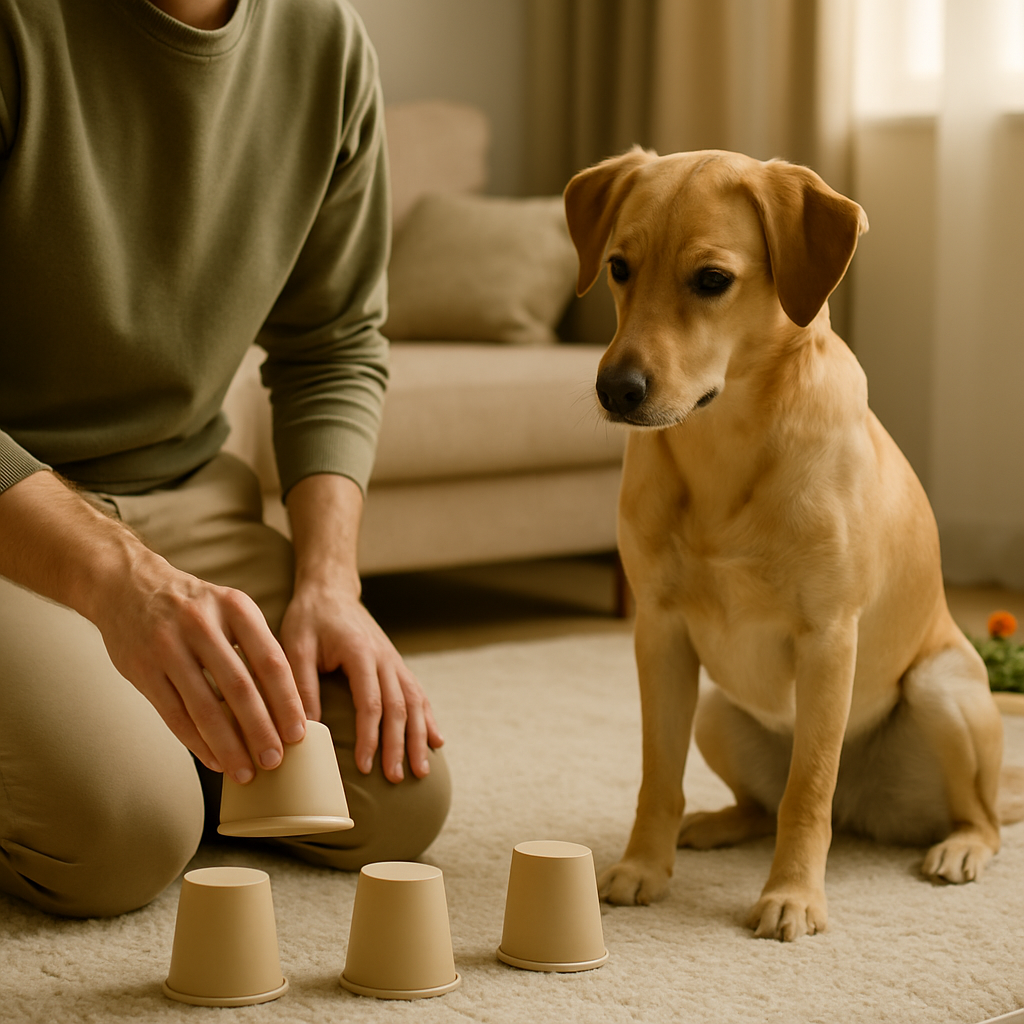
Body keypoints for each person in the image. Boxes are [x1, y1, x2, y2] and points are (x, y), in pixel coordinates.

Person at [0, 0, 451, 917]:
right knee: (119, 838)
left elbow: (333, 344)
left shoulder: (326, 41)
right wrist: (116, 582)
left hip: (186, 496)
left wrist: (331, 584)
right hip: (16, 514)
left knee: (391, 797)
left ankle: (147, 739)